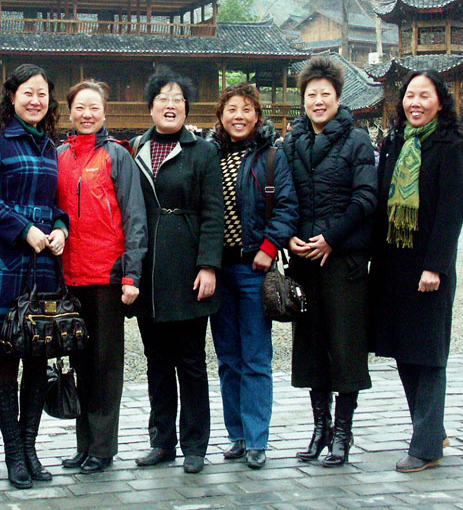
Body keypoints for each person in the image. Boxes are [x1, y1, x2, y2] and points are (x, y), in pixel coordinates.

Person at [0, 64, 69, 489]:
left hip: (42, 264)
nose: (35, 100)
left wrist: (60, 228)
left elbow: (54, 202)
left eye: (42, 93)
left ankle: (31, 447)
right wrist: (23, 229)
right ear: (12, 97)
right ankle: (13, 453)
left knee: (38, 357)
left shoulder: (48, 146)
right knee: (7, 358)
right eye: (28, 92)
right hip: (4, 263)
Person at [370, 70, 463, 473]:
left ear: (440, 102)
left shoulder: (450, 145)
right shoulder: (395, 141)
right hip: (394, 264)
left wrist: (435, 267)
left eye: (424, 96)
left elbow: (451, 212)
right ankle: (431, 429)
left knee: (428, 353)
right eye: (410, 95)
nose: (415, 103)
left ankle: (426, 448)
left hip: (429, 267)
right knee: (404, 350)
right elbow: (381, 201)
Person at [282, 56, 377, 467]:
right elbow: (283, 198)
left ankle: (342, 432)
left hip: (343, 261)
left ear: (338, 98)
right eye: (311, 95)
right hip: (304, 260)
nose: (318, 101)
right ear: (303, 100)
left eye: (325, 94)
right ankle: (319, 428)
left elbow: (365, 198)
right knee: (311, 346)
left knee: (345, 346)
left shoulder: (357, 141)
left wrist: (332, 239)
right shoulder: (291, 143)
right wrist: (288, 235)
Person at [130, 66, 224, 475]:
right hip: (149, 269)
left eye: (178, 100)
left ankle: (196, 444)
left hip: (188, 268)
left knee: (190, 360)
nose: (170, 106)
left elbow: (214, 213)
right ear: (150, 107)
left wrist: (209, 265)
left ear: (186, 108)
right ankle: (162, 441)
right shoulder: (136, 148)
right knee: (156, 360)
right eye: (162, 99)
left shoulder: (202, 151)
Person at [56, 80, 147, 474]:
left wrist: (132, 274)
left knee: (105, 364)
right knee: (79, 361)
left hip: (107, 276)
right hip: (69, 275)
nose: (87, 114)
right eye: (80, 107)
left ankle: (103, 447)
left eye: (94, 107)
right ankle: (84, 444)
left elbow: (134, 216)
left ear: (105, 113)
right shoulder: (59, 156)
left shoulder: (117, 156)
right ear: (70, 112)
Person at [208, 83, 298, 470]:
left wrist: (269, 246)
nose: (239, 116)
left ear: (258, 116)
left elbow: (287, 207)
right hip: (218, 269)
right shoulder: (210, 155)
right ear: (220, 115)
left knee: (256, 356)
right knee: (228, 358)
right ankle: (238, 435)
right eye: (232, 108)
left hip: (253, 267)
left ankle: (257, 438)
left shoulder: (271, 156)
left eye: (247, 109)